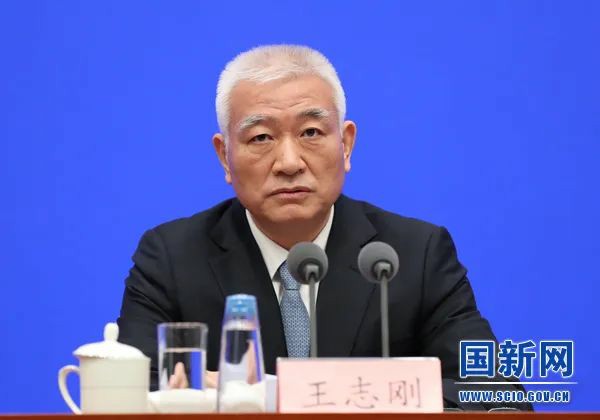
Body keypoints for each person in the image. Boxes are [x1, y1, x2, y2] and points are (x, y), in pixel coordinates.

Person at [117, 44, 530, 410]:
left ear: (345, 145)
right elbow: (127, 396)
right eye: (261, 138)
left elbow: (496, 396)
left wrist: (277, 398)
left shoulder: (415, 253)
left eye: (311, 132)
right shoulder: (171, 258)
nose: (289, 162)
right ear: (225, 156)